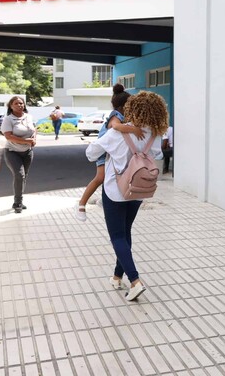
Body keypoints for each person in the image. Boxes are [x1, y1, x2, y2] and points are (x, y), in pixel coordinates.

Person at [85, 91, 168, 301]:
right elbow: (157, 154)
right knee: (125, 233)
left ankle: (135, 281)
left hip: (115, 191)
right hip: (138, 190)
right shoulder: (155, 134)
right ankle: (116, 276)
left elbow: (90, 154)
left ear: (132, 108)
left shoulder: (117, 133)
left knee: (118, 237)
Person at [74, 84, 143, 221]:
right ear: (123, 106)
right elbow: (116, 127)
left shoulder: (123, 115)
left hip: (109, 150)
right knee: (100, 177)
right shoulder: (115, 115)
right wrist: (133, 130)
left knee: (109, 176)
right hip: (102, 151)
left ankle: (104, 200)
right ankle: (81, 204)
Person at [1, 96, 37, 213]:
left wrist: (34, 139)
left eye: (21, 103)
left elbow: (34, 129)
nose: (19, 105)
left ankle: (19, 200)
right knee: (19, 175)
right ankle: (18, 202)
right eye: (16, 103)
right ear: (11, 106)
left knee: (24, 176)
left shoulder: (29, 117)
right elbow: (8, 136)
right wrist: (26, 141)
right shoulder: (8, 119)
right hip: (12, 151)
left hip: (27, 152)